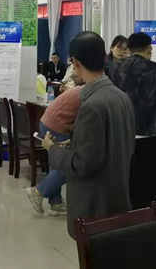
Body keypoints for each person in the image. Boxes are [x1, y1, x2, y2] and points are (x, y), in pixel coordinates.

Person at [43, 31, 136, 239]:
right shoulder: (121, 96)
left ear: (75, 62)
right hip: (118, 199)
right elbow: (116, 144)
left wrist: (52, 149)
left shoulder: (91, 106)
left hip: (94, 207)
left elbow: (82, 164)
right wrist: (76, 142)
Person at [109, 32, 156, 207]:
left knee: (125, 185)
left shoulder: (115, 69)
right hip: (152, 137)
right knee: (150, 187)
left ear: (129, 49)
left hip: (122, 137)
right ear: (149, 49)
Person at [26, 85, 82, 216]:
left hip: (47, 121)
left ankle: (56, 203)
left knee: (56, 163)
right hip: (59, 125)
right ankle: (38, 192)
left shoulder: (81, 89)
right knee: (69, 164)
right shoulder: (91, 94)